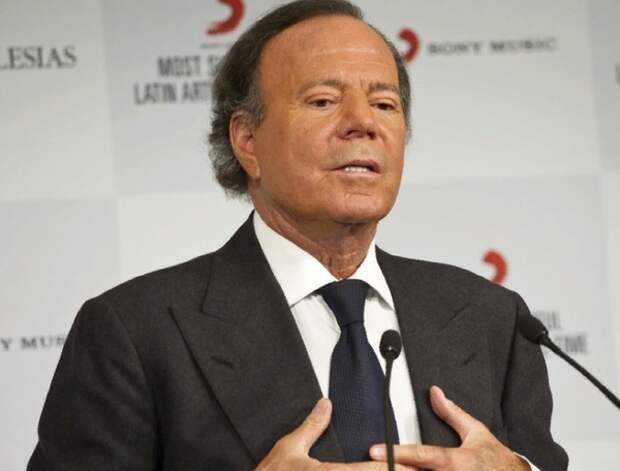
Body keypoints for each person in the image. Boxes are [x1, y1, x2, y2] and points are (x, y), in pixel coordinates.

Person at [28, 1, 568, 470]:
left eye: (385, 104)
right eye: (323, 101)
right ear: (247, 141)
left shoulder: (491, 318)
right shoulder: (136, 332)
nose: (363, 122)